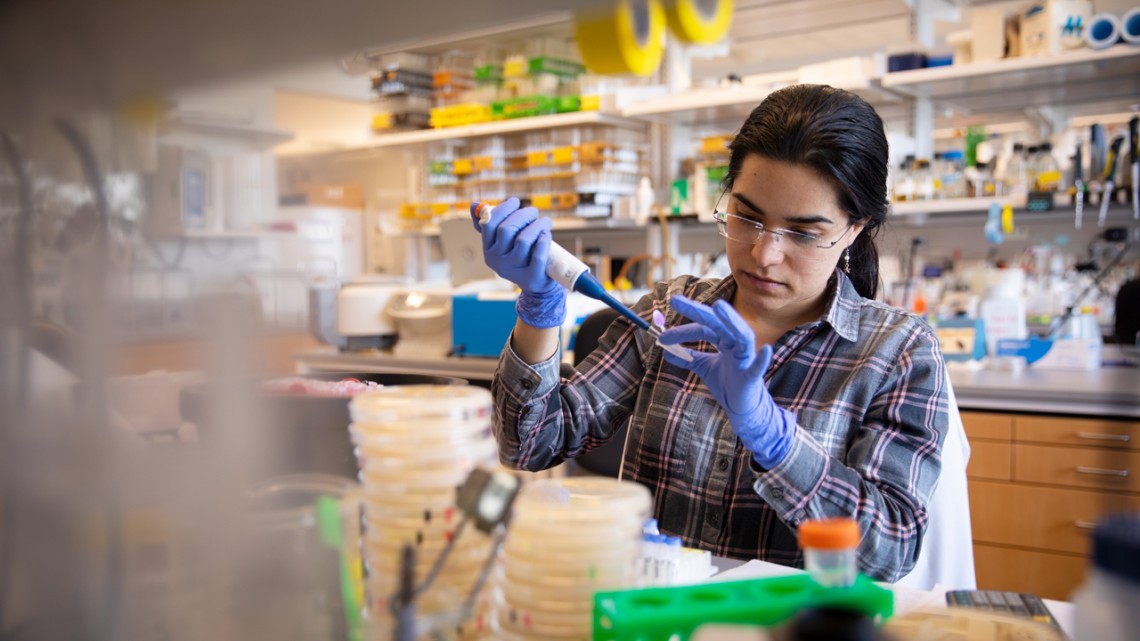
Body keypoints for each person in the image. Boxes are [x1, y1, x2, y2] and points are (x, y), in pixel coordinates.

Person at [473, 84, 949, 582]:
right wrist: (541, 307)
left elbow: (890, 550)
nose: (764, 254)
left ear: (855, 228)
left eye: (804, 233)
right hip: (654, 622)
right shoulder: (671, 314)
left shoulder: (898, 352)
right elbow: (528, 444)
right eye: (747, 217)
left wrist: (773, 437)